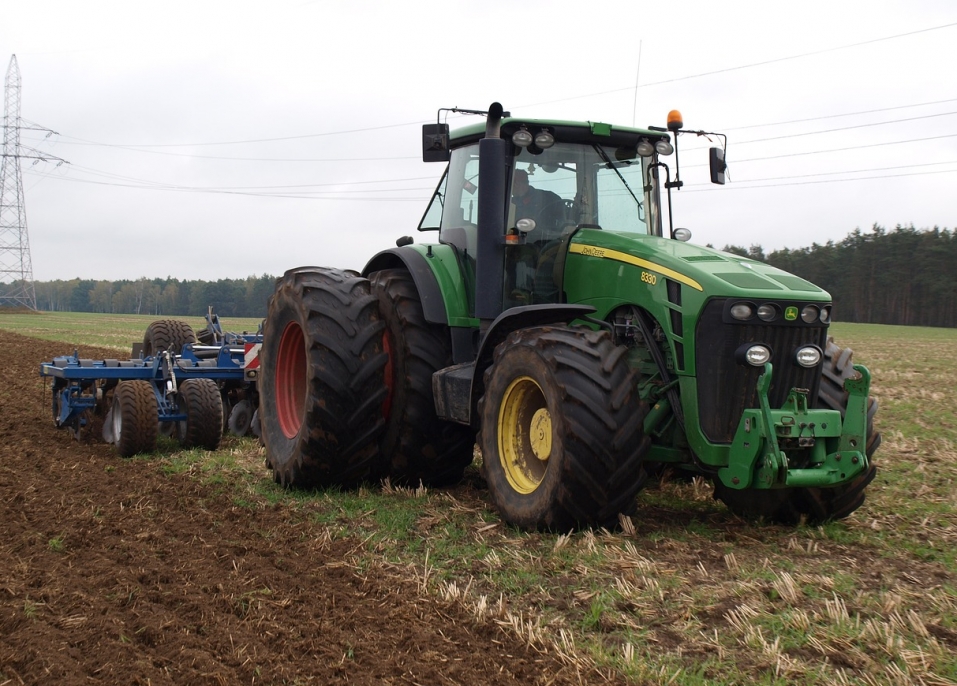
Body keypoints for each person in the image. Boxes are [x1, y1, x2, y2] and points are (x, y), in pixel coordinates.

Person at [511, 169, 565, 241]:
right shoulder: (511, 202)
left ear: (516, 184)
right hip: (519, 241)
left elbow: (562, 221)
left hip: (547, 240)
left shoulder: (549, 198)